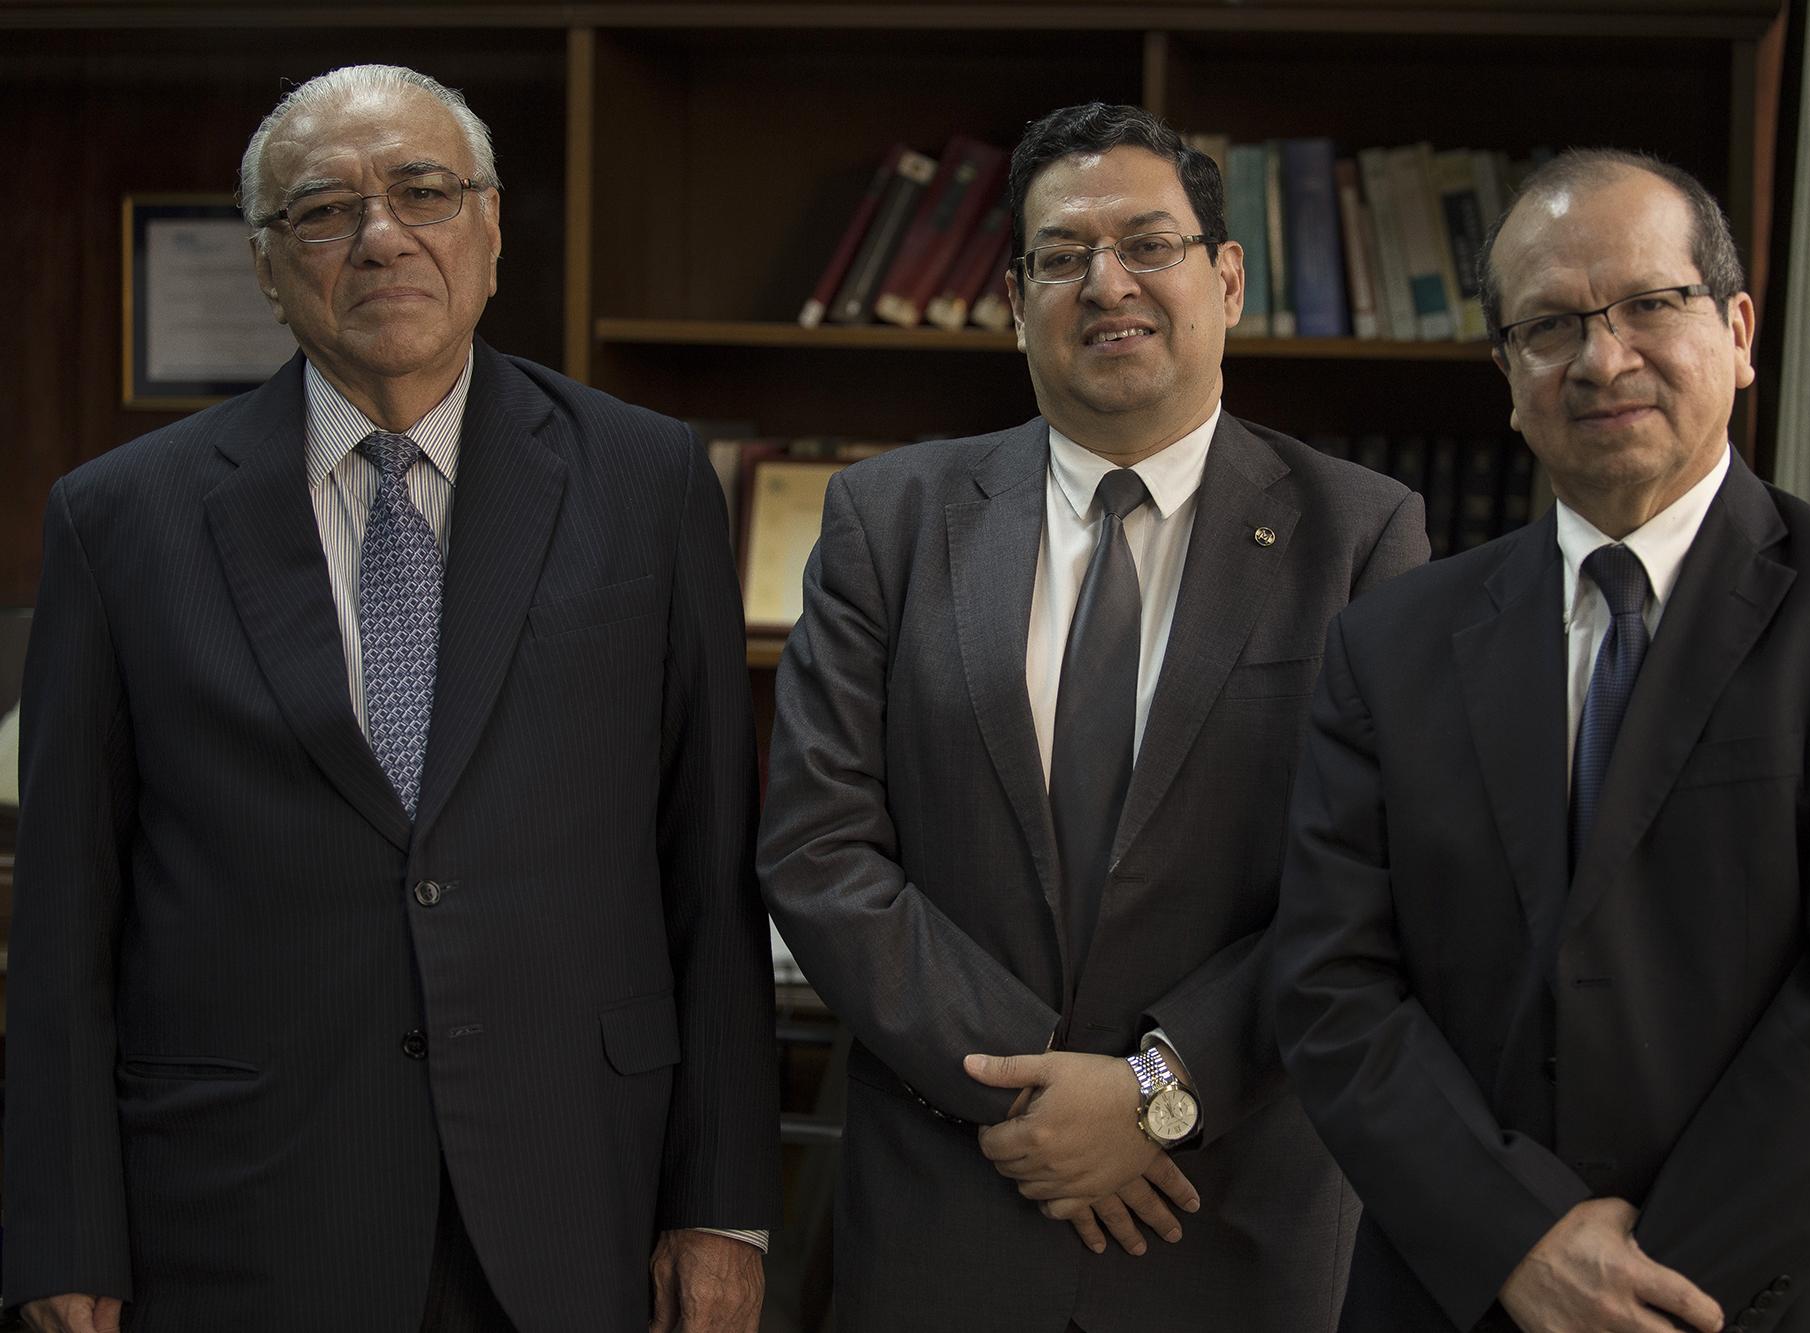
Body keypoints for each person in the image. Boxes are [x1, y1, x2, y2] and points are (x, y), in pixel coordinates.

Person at [3, 64, 778, 1333]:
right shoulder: (121, 517)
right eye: (322, 209)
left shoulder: (646, 481)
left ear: (487, 232)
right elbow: (66, 915)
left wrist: (723, 1204)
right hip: (236, 1212)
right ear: (266, 263)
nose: (380, 236)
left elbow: (708, 873)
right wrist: (60, 1226)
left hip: (575, 1195)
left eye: (423, 191)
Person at [1270, 147, 1810, 1333]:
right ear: (1507, 375)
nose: (1602, 358)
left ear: (1737, 329)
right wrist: (1521, 1242)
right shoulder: (1386, 646)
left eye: (1648, 305)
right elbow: (1328, 984)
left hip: (1771, 1295)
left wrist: (1647, 1290)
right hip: (1467, 1292)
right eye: (1548, 324)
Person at [758, 102, 1429, 1333]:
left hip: (1228, 1217)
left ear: (1225, 280)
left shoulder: (1362, 534)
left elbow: (1373, 880)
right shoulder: (884, 521)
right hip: (946, 1213)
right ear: (1015, 303)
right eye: (1059, 256)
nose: (1104, 281)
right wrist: (1040, 1092)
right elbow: (817, 845)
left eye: (1147, 244)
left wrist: (1154, 1091)